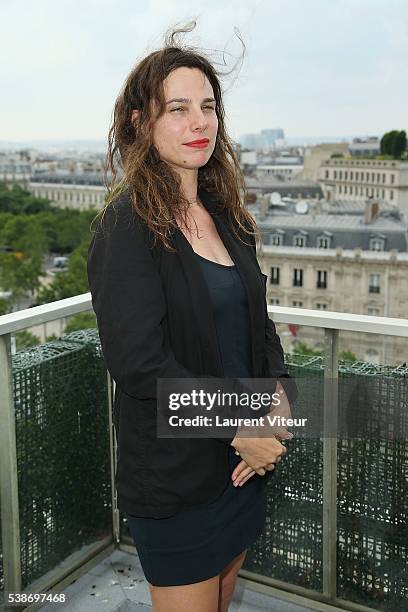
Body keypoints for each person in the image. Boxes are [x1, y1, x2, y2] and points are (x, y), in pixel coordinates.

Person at [87, 22, 297, 612]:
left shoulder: (225, 215)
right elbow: (139, 365)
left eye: (207, 107)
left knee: (225, 594)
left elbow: (259, 324)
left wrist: (278, 394)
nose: (198, 122)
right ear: (139, 122)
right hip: (178, 476)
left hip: (239, 467)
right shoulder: (126, 227)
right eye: (177, 109)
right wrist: (241, 426)